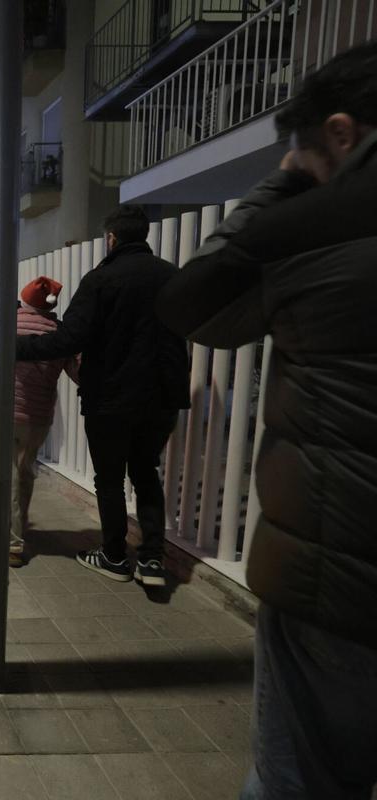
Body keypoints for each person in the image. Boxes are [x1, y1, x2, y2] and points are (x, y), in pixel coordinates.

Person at [155, 42, 377, 800]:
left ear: (342, 134)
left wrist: (283, 184)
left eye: (305, 153)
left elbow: (199, 303)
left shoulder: (324, 224)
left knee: (297, 781)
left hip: (338, 572)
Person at [15, 205, 190, 588]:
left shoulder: (101, 280)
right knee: (146, 474)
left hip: (111, 397)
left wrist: (16, 348)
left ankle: (114, 556)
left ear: (111, 238)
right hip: (162, 397)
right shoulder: (170, 276)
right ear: (142, 235)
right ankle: (152, 561)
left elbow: (70, 339)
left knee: (109, 479)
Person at [0, 277, 79, 566]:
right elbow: (79, 373)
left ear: (23, 300)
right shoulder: (59, 332)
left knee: (7, 476)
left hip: (3, 413)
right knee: (25, 472)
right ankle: (19, 528)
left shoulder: (1, 323)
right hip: (38, 418)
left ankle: (12, 542)